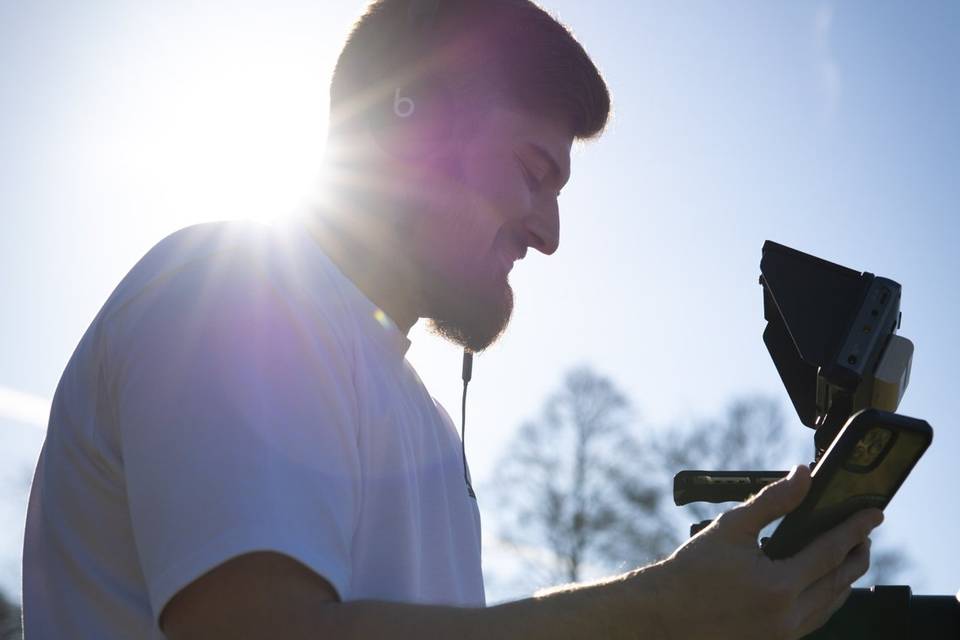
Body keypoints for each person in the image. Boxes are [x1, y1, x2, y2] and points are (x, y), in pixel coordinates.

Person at [22, 1, 882, 638]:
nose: (549, 234)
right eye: (533, 171)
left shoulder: (424, 424)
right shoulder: (238, 289)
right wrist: (660, 610)